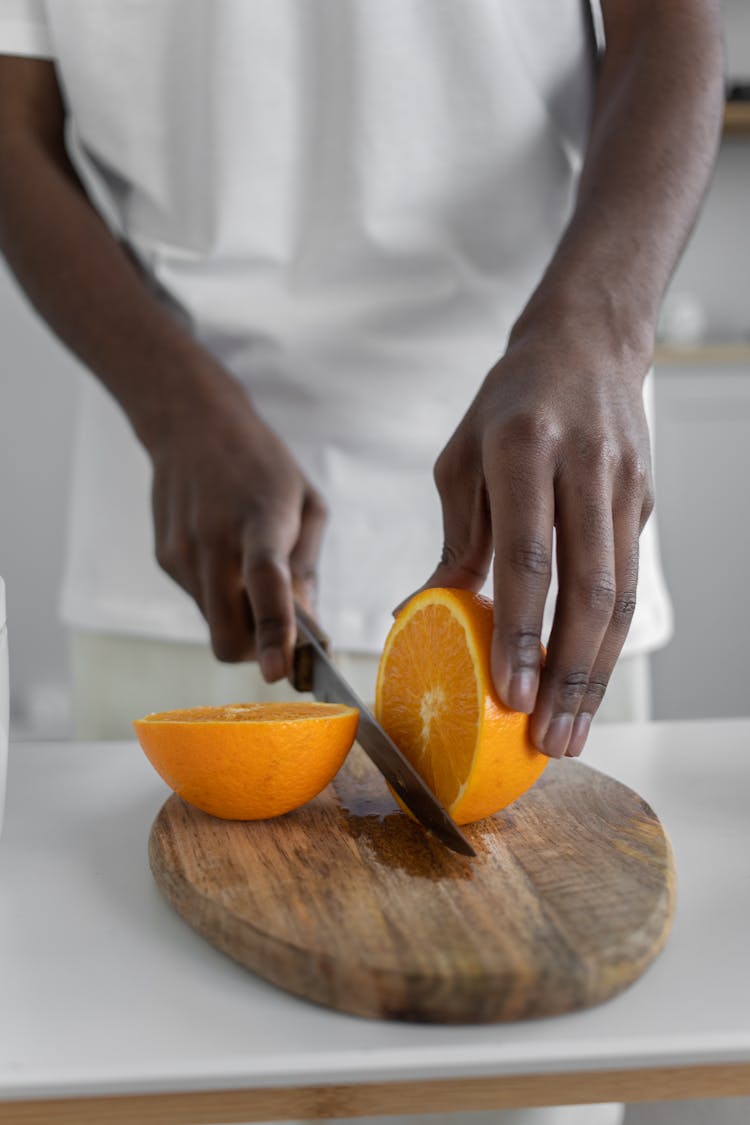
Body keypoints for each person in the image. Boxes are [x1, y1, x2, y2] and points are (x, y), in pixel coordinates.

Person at [0, 3, 724, 1125]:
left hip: (539, 550)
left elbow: (670, 22)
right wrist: (170, 404)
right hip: (186, 566)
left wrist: (599, 325)